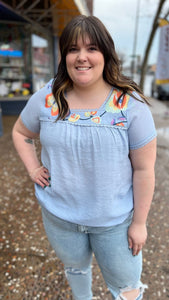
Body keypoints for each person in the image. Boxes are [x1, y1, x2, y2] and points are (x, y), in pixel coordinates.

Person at [12, 15, 157, 300]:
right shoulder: (48, 97)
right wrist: (33, 169)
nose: (82, 57)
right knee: (75, 268)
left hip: (115, 223)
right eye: (73, 49)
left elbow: (144, 170)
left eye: (92, 48)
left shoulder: (130, 105)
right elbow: (20, 132)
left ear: (105, 53)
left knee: (127, 288)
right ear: (64, 55)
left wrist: (139, 223)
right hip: (60, 218)